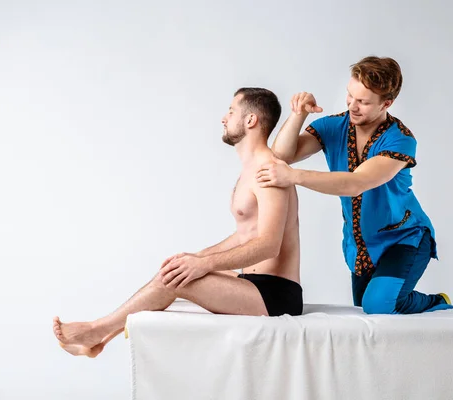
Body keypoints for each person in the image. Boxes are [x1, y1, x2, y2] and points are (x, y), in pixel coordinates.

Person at [53, 87, 303, 357]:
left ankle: (96, 330)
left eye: (231, 111)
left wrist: (205, 263)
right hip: (253, 282)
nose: (224, 118)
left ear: (250, 120)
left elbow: (269, 245)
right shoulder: (250, 171)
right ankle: (101, 338)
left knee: (177, 279)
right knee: (177, 269)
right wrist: (196, 257)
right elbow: (245, 235)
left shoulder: (269, 172)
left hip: (276, 296)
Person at [257, 56, 453, 315]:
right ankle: (396, 294)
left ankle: (436, 301)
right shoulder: (334, 126)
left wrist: (293, 176)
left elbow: (356, 183)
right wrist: (298, 115)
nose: (352, 105)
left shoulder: (401, 140)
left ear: (387, 103)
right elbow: (281, 156)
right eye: (350, 96)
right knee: (365, 306)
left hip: (404, 237)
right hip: (362, 245)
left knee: (379, 305)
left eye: (363, 101)